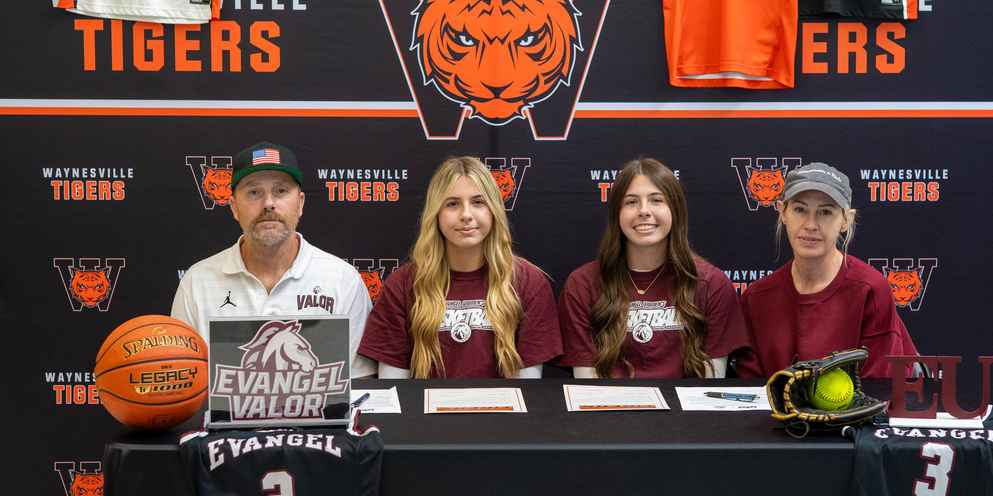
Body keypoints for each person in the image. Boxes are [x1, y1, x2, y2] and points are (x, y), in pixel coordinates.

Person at [172, 141, 375, 377]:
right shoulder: (196, 282)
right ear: (234, 207)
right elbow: (183, 380)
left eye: (281, 191)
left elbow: (361, 382)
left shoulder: (343, 280)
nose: (268, 203)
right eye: (254, 192)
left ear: (300, 204)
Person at [357, 156, 561, 378]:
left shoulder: (528, 283)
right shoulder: (403, 284)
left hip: (504, 412)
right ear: (436, 213)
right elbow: (394, 391)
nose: (466, 215)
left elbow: (529, 392)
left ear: (493, 211)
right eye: (452, 204)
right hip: (420, 412)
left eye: (478, 202)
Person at [557, 158, 749, 378]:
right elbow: (588, 389)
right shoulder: (583, 284)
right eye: (631, 202)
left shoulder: (710, 284)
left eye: (656, 200)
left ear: (675, 210)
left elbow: (709, 389)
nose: (644, 211)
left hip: (688, 412)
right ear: (616, 214)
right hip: (610, 410)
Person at [733, 162, 918, 379]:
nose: (811, 224)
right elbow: (751, 394)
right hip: (775, 414)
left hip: (852, 413)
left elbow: (878, 390)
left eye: (826, 212)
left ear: (846, 220)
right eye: (800, 210)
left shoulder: (871, 289)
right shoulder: (756, 298)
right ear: (782, 213)